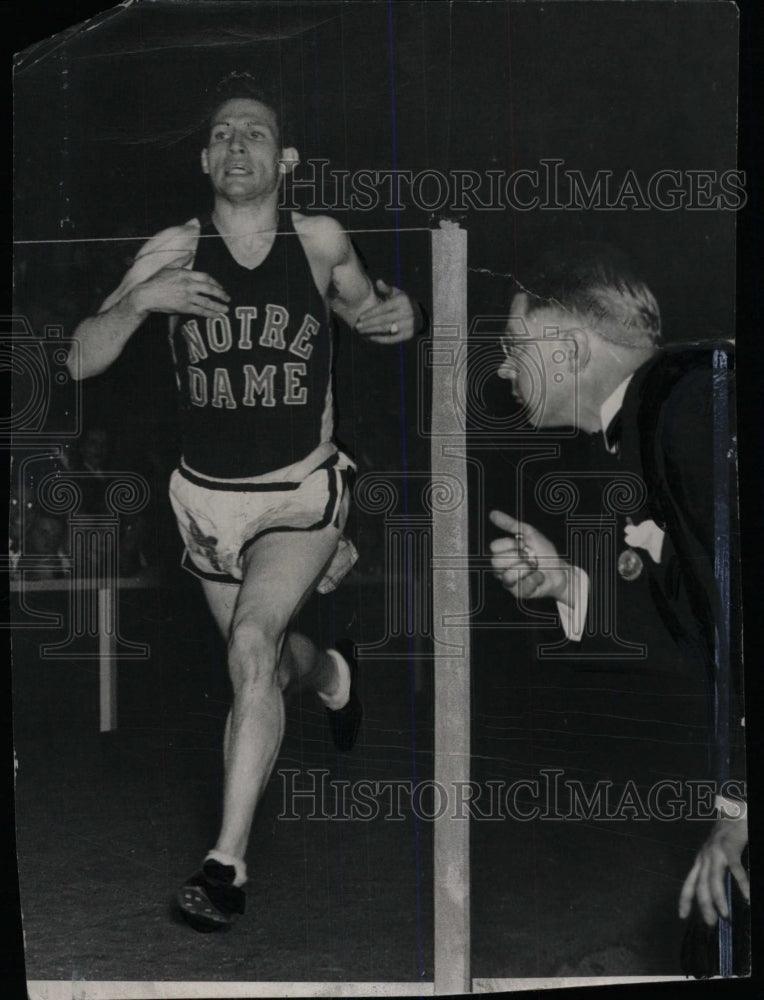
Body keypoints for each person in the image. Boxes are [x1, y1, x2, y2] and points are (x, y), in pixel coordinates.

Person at [67, 71, 424, 932]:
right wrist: (143, 302)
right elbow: (78, 358)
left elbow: (378, 313)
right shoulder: (172, 249)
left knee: (253, 645)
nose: (237, 146)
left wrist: (401, 312)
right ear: (203, 158)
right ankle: (333, 674)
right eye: (223, 134)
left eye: (254, 133)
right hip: (206, 501)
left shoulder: (320, 239)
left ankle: (225, 866)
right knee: (263, 661)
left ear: (286, 158)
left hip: (301, 489)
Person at [488, 242, 747, 972]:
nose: (504, 369)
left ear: (568, 347)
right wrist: (572, 584)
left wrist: (739, 806)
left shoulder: (691, 404)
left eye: (513, 347)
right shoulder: (645, 421)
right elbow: (702, 624)